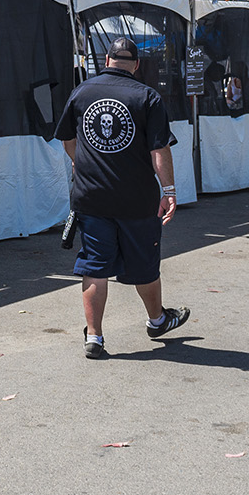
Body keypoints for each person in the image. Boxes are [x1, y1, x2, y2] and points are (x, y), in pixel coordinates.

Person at [56, 36, 187, 360]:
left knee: (95, 266)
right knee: (145, 265)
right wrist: (169, 191)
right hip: (136, 200)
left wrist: (79, 162)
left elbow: (67, 138)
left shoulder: (82, 92)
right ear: (137, 64)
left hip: (92, 197)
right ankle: (157, 320)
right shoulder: (147, 97)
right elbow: (159, 150)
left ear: (106, 60)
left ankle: (95, 338)